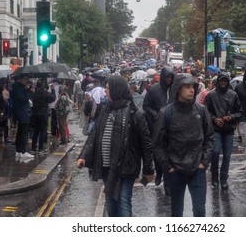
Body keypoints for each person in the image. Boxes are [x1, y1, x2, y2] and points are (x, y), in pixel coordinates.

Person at [76, 75, 154, 217]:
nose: (105, 91)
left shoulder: (135, 113)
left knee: (123, 202)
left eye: (107, 88)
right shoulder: (106, 109)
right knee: (111, 204)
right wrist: (83, 156)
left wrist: (149, 170)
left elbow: (145, 144)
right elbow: (94, 134)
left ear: (116, 90)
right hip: (107, 166)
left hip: (126, 166)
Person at [152, 73, 214, 217]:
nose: (192, 90)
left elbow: (209, 137)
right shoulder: (166, 112)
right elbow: (157, 144)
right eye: (187, 87)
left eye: (193, 87)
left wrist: (204, 162)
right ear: (178, 89)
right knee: (176, 212)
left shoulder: (201, 110)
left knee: (199, 211)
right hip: (176, 170)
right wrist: (168, 166)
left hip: (197, 169)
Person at [206, 73, 242, 189]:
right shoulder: (210, 95)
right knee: (215, 152)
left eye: (225, 81)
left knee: (227, 155)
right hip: (216, 129)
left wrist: (231, 117)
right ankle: (215, 177)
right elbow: (206, 112)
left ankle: (224, 178)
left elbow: (239, 112)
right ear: (217, 82)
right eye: (221, 81)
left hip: (229, 129)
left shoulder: (233, 95)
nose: (222, 83)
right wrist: (214, 119)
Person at [143, 66, 175, 193]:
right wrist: (155, 115)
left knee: (168, 153)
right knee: (157, 152)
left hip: (171, 127)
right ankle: (159, 172)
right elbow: (146, 106)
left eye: (170, 77)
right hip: (156, 126)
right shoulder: (153, 90)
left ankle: (168, 183)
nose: (169, 79)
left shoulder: (175, 90)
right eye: (167, 77)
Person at [12, 75, 34, 159]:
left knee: (20, 132)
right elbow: (23, 99)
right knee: (23, 133)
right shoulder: (18, 88)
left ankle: (19, 150)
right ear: (21, 79)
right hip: (22, 113)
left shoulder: (19, 87)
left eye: (28, 79)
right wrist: (30, 92)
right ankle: (23, 151)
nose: (27, 81)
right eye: (25, 79)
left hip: (21, 112)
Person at [31, 79, 56, 153]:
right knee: (42, 130)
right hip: (43, 113)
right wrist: (53, 90)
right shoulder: (45, 93)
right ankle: (41, 148)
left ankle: (33, 147)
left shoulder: (34, 93)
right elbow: (52, 98)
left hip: (35, 113)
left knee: (36, 130)